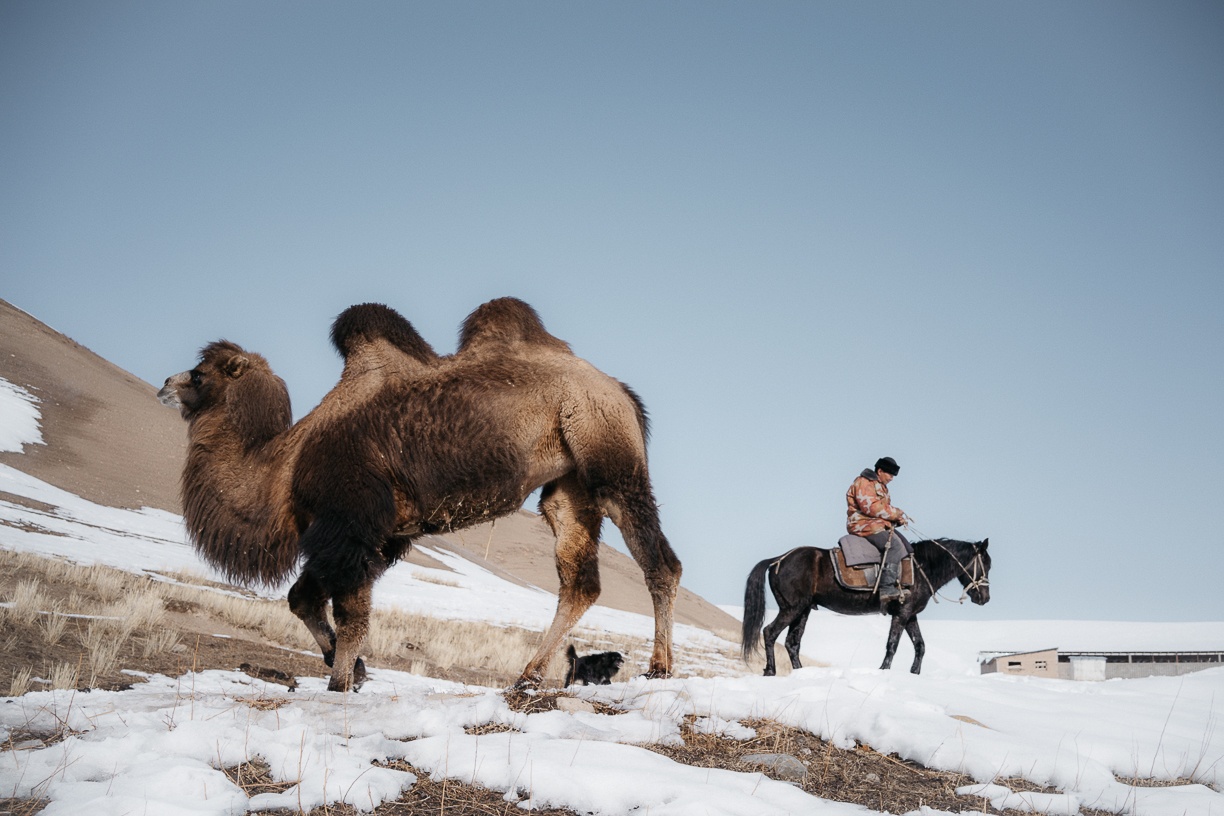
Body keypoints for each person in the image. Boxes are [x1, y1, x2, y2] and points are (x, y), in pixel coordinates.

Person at [846, 457, 912, 612]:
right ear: (880, 471)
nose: (891, 478)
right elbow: (870, 508)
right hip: (863, 524)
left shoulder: (880, 486)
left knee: (906, 547)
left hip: (876, 524)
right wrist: (896, 513)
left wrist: (897, 519)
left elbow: (882, 509)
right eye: (889, 474)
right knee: (894, 546)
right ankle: (886, 587)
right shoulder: (864, 482)